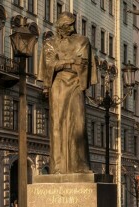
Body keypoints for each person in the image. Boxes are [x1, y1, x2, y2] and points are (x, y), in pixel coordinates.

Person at [38, 11, 97, 174]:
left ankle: (81, 164)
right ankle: (58, 167)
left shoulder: (82, 41)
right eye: (68, 24)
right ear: (60, 26)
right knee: (57, 124)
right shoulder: (49, 43)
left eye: (73, 24)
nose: (72, 27)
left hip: (76, 84)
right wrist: (70, 61)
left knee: (79, 123)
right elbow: (49, 65)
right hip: (57, 86)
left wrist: (61, 63)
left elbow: (83, 64)